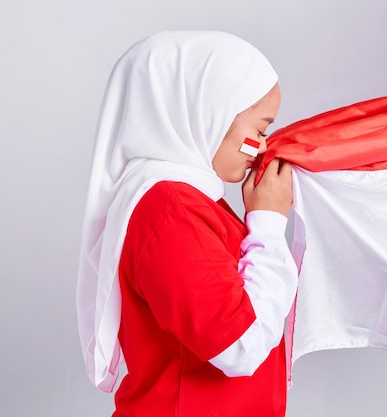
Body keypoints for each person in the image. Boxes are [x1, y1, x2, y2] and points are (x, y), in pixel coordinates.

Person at [77, 31, 298, 416]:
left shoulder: (194, 202)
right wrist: (268, 224)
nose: (262, 147)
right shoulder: (170, 209)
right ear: (207, 109)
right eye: (260, 130)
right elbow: (240, 346)